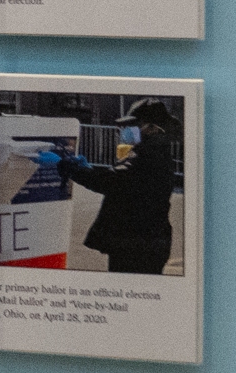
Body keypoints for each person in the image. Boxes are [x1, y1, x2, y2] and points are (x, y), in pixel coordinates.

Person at [62, 107, 180, 274]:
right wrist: (86, 169)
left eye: (134, 126)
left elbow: (111, 182)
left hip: (135, 245)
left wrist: (71, 168)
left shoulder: (146, 156)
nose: (126, 132)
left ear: (152, 128)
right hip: (146, 241)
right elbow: (121, 180)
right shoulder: (156, 153)